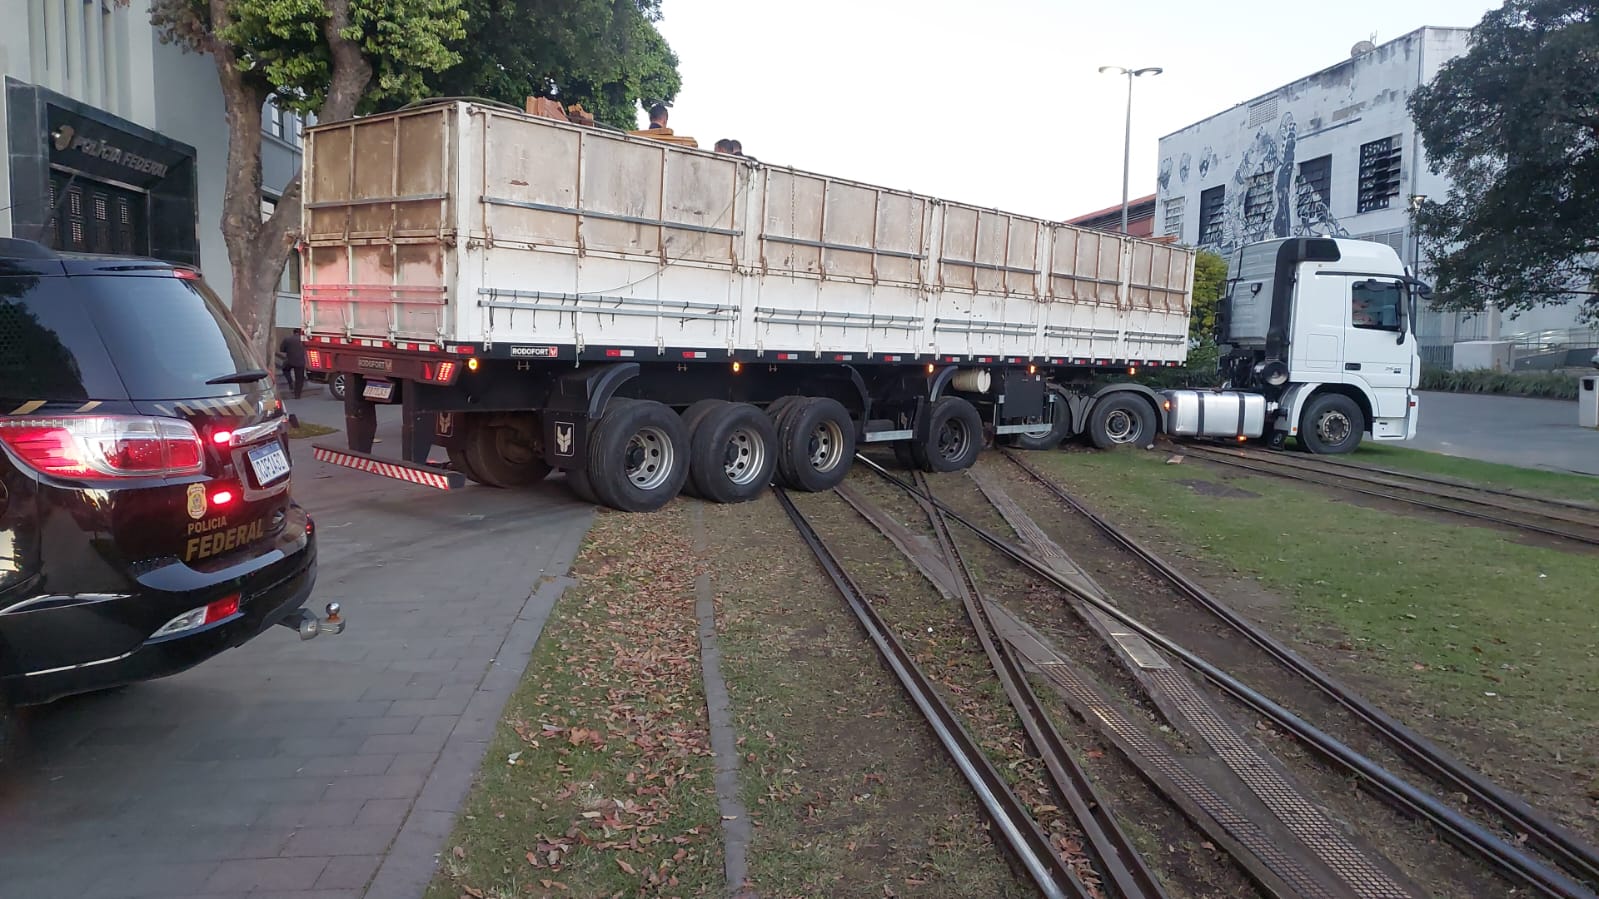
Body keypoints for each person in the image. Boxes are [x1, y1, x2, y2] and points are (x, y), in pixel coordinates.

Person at [277, 328, 307, 399]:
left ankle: (290, 382)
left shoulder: (287, 339)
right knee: (299, 379)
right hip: (300, 362)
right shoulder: (304, 340)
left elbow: (282, 349)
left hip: (290, 360)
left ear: (293, 332)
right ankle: (297, 395)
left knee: (285, 369)